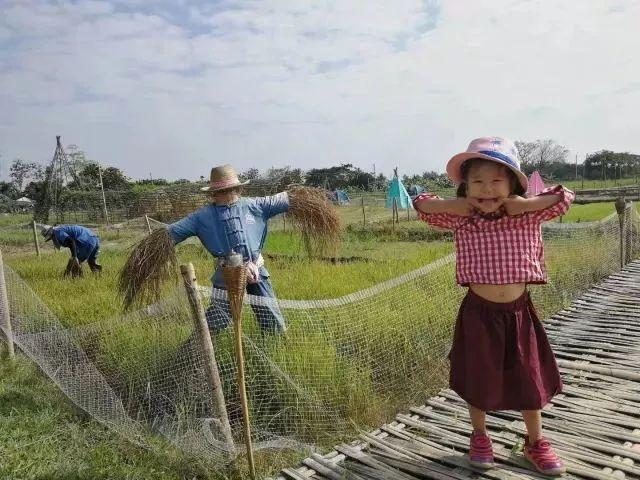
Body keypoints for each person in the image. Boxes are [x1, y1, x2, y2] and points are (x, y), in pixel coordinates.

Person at [413, 137, 574, 475]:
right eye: (477, 182)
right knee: (479, 375)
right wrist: (452, 206)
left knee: (529, 376)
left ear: (513, 184)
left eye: (497, 181)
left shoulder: (527, 216)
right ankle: (480, 435)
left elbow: (564, 198)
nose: (487, 189)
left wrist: (524, 205)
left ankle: (535, 441)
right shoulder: (461, 219)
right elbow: (421, 204)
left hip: (518, 312)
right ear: (465, 187)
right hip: (478, 312)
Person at [168, 164, 288, 333]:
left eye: (229, 190)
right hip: (227, 274)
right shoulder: (202, 217)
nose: (226, 194)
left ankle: (275, 345)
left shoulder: (254, 205)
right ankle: (197, 352)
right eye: (222, 191)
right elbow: (172, 232)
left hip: (255, 270)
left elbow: (285, 200)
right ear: (213, 193)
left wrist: (303, 198)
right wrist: (155, 244)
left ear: (238, 189)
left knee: (270, 316)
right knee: (217, 319)